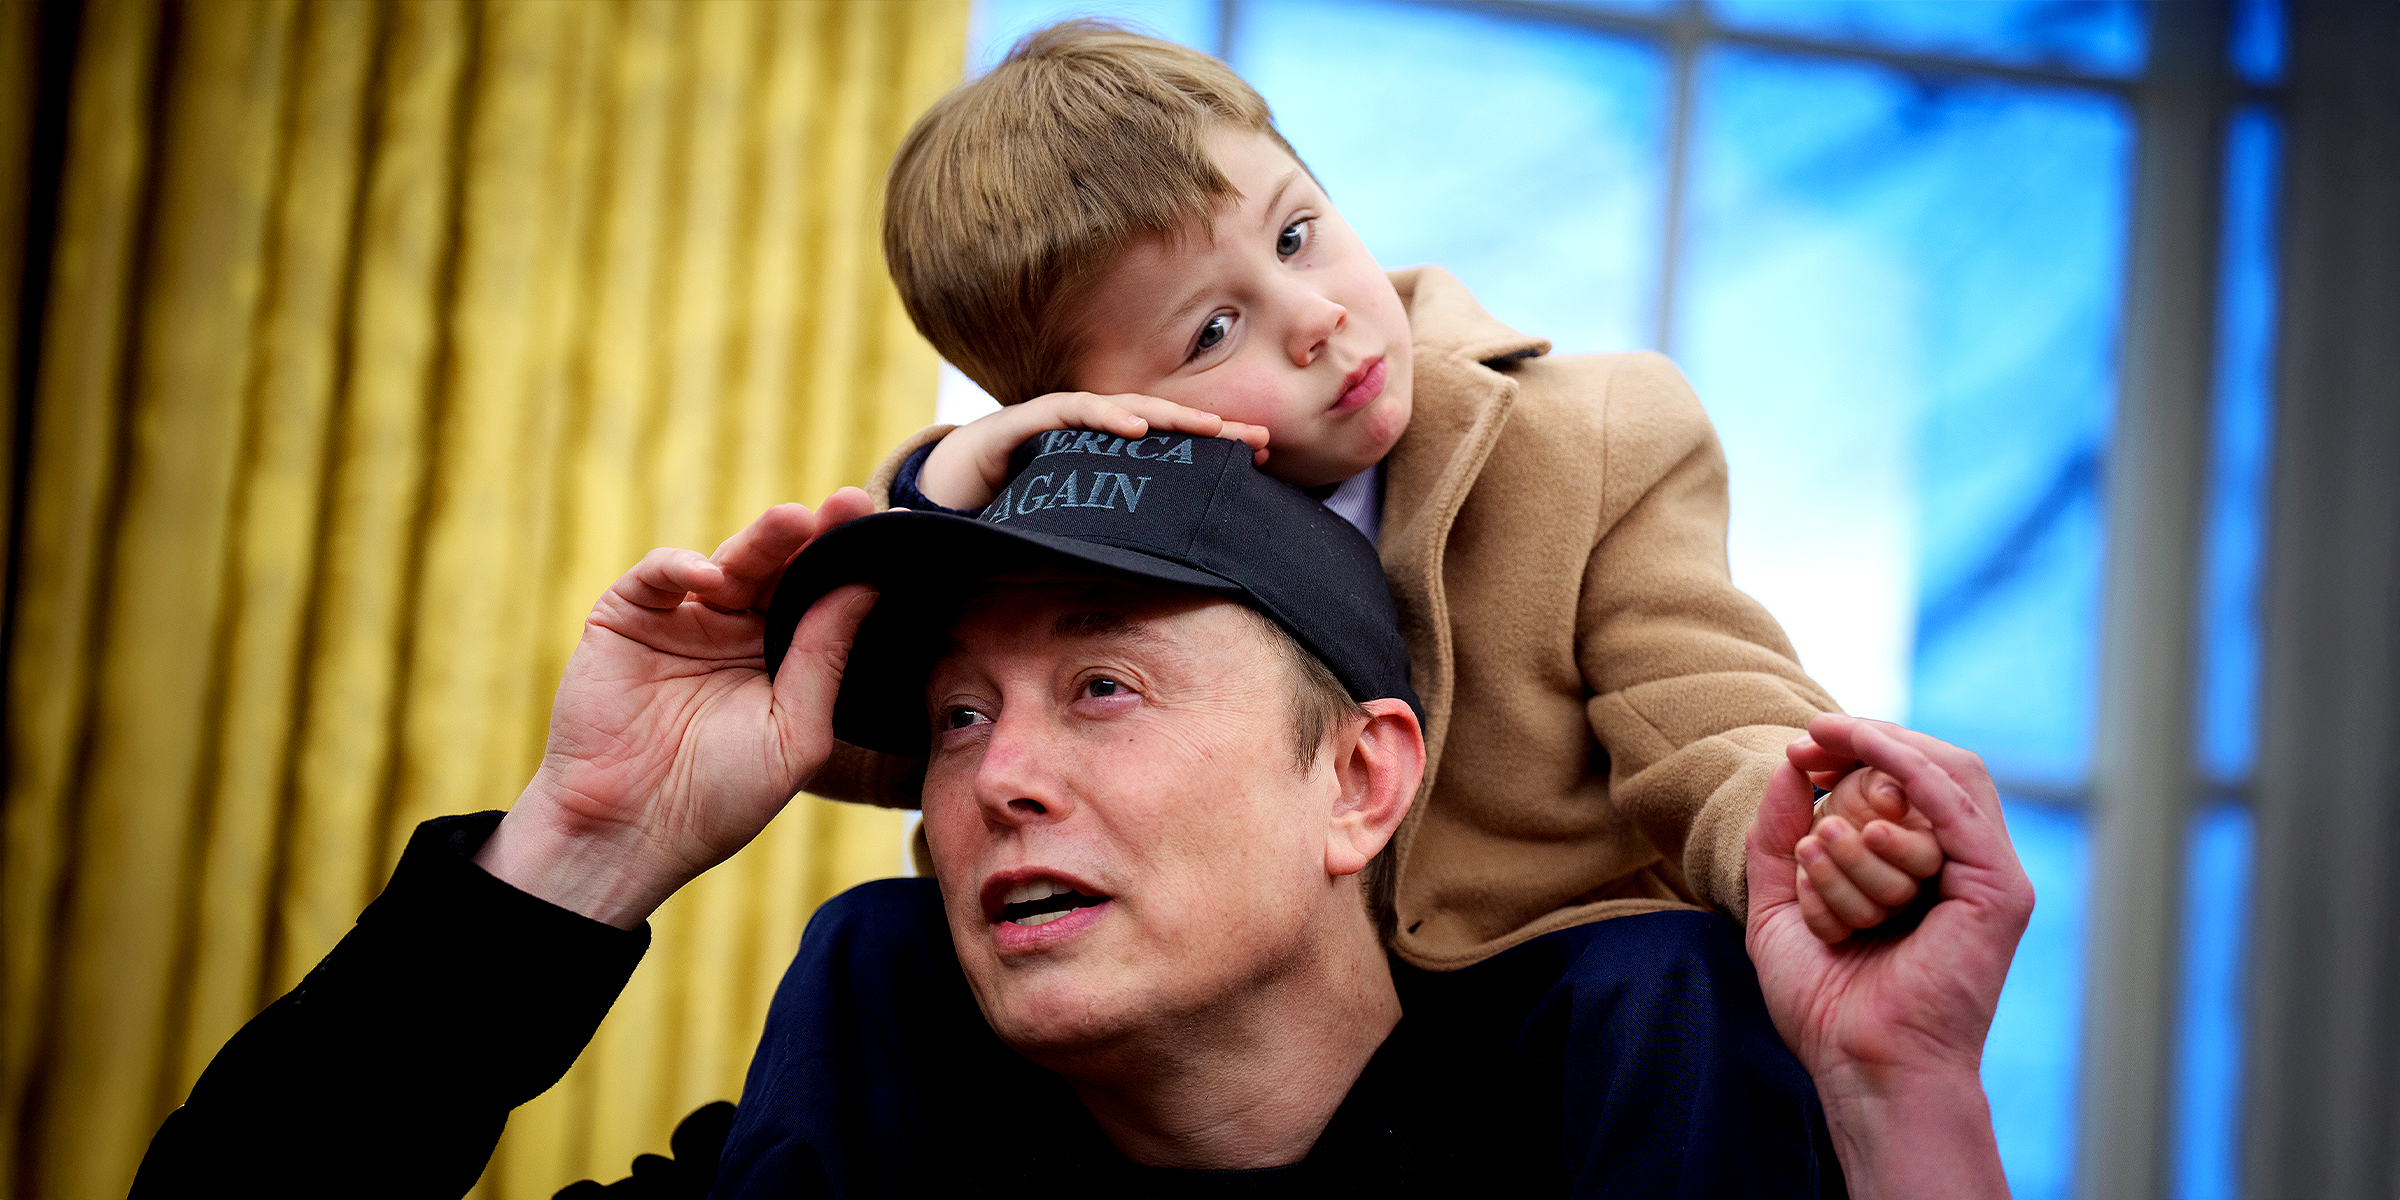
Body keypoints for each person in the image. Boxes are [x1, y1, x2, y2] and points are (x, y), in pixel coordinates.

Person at [133, 438, 2028, 1199]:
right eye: (955, 717)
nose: (997, 775)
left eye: (1102, 686)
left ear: (1362, 779)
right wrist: (585, 843)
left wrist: (1897, 1105)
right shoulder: (866, 1112)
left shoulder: (1639, 1082)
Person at [820, 22, 1942, 967]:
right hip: (1205, 1022)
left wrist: (1804, 827)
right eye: (1214, 330)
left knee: (1667, 979)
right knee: (881, 949)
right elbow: (851, 736)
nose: (1314, 320)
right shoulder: (1046, 530)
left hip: (1525, 984)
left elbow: (1707, 703)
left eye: (1297, 236)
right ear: (1089, 410)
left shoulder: (1588, 439)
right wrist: (946, 504)